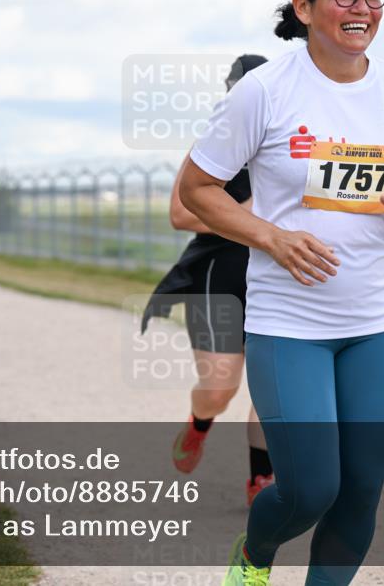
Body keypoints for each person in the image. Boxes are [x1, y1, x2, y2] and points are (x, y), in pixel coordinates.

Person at [179, 0, 384, 586]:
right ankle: (253, 555)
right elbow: (195, 191)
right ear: (304, 6)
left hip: (380, 320)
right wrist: (271, 236)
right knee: (309, 489)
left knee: (359, 491)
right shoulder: (264, 92)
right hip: (290, 322)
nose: (363, 6)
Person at [142, 55, 275, 506]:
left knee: (274, 387)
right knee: (220, 388)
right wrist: (245, 217)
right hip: (215, 276)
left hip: (276, 278)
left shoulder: (290, 145)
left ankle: (262, 479)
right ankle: (200, 422)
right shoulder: (213, 145)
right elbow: (181, 214)